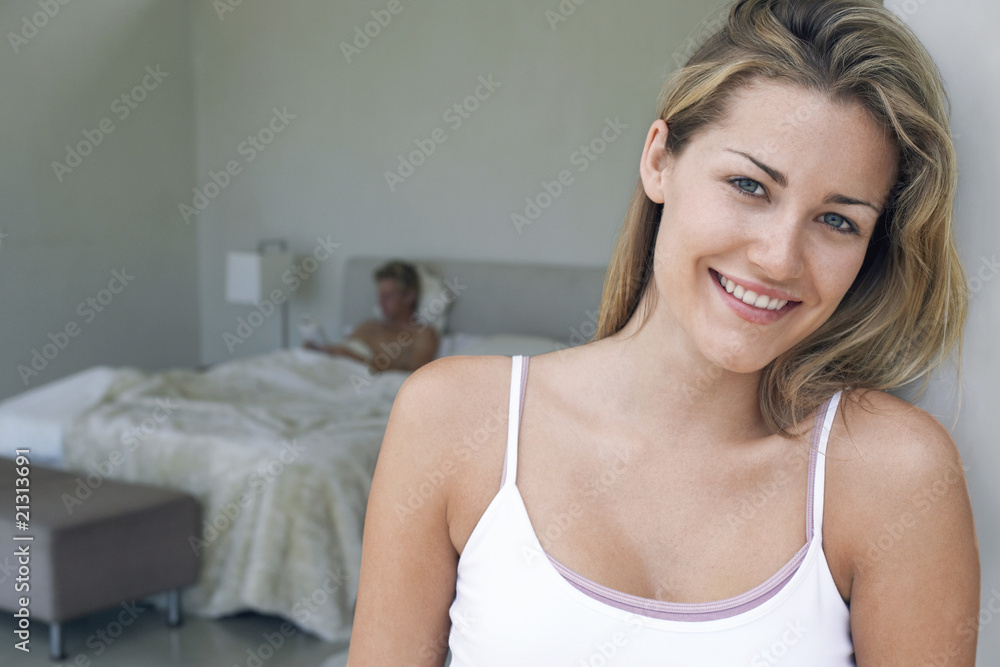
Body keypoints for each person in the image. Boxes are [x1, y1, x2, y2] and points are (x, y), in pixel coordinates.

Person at [348, 0, 980, 664]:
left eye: (838, 220)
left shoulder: (892, 475)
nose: (779, 257)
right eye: (749, 184)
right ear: (660, 161)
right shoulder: (453, 420)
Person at [305, 260, 439, 373]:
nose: (380, 302)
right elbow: (343, 351)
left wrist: (355, 359)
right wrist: (319, 350)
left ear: (409, 296)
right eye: (380, 295)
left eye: (387, 297)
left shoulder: (422, 334)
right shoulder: (368, 326)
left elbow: (414, 379)